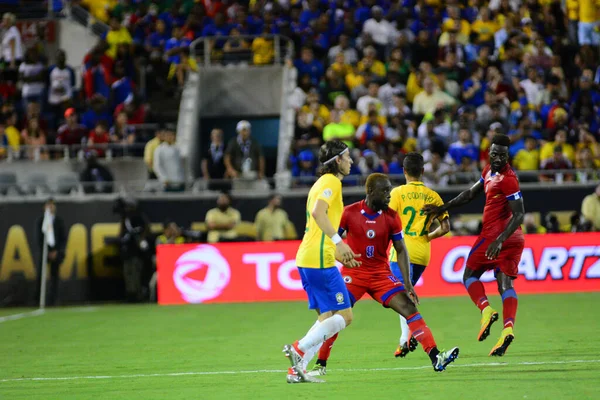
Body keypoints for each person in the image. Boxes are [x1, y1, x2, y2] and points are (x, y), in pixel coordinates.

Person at [308, 173, 459, 377]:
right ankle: (320, 364)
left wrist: (408, 284)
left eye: (389, 190)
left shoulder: (391, 217)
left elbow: (402, 249)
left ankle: (436, 357)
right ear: (370, 191)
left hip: (381, 275)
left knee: (408, 307)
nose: (389, 195)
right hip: (355, 273)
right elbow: (332, 241)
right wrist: (340, 256)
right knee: (337, 315)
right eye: (385, 191)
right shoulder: (350, 213)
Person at [424, 134, 525, 357]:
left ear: (508, 156)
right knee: (505, 284)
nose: (497, 157)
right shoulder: (488, 171)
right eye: (494, 153)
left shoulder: (509, 179)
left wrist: (499, 240)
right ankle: (507, 329)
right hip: (511, 238)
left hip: (497, 236)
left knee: (469, 274)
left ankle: (486, 309)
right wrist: (443, 207)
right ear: (489, 152)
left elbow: (519, 215)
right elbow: (470, 194)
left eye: (502, 155)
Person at [282, 140, 358, 384]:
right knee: (345, 317)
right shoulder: (331, 182)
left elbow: (315, 226)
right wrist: (338, 242)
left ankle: (297, 369)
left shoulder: (318, 184)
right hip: (318, 259)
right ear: (337, 160)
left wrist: (340, 252)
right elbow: (318, 213)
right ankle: (299, 348)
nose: (351, 161)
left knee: (327, 318)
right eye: (347, 157)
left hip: (308, 256)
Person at [387, 152, 451, 357]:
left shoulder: (396, 193)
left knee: (400, 296)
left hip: (401, 251)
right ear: (423, 171)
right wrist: (427, 237)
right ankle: (405, 340)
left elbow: (387, 222)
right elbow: (445, 227)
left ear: (404, 171)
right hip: (423, 253)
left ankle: (409, 337)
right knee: (405, 294)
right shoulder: (433, 196)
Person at [35, 198, 66, 306]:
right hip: (45, 254)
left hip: (56, 253)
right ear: (44, 207)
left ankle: (53, 301)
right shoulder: (41, 221)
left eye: (52, 205)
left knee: (55, 277)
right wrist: (47, 252)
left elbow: (63, 239)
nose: (50, 207)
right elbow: (39, 239)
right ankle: (38, 300)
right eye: (48, 205)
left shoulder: (59, 221)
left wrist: (57, 251)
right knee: (40, 277)